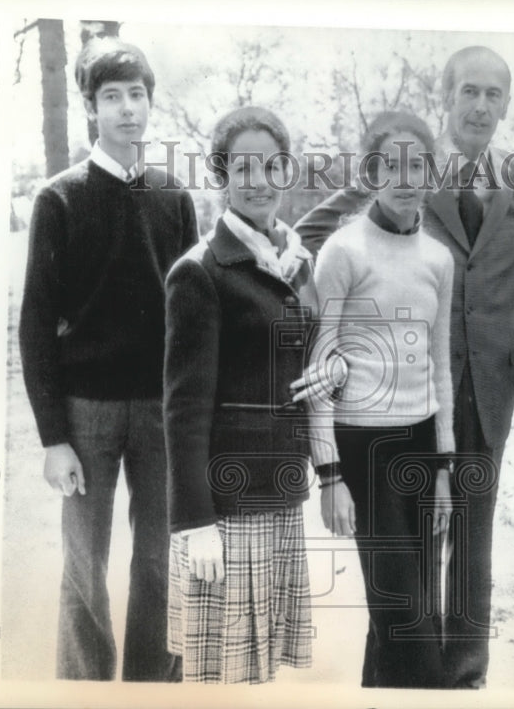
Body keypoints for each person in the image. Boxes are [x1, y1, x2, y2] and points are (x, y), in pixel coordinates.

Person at [296, 46, 514, 688]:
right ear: (447, 98)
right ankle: (397, 678)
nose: (481, 105)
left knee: (472, 537)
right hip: (408, 387)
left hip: (487, 380)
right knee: (405, 553)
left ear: (506, 104)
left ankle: (463, 678)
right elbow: (309, 234)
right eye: (469, 91)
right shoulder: (408, 166)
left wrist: (501, 298)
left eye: (494, 94)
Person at [19, 37, 197, 682]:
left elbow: (193, 314)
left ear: (150, 104)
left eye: (137, 95)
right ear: (92, 109)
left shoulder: (174, 197)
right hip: (86, 413)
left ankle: (154, 690)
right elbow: (36, 321)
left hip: (160, 411)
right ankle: (84, 692)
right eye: (112, 97)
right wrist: (53, 439)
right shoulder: (58, 199)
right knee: (84, 567)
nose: (128, 109)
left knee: (159, 561)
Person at [163, 107, 318, 684]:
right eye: (242, 167)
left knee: (260, 675)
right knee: (221, 680)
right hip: (225, 509)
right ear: (222, 176)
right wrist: (194, 520)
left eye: (271, 166)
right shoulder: (199, 272)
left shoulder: (297, 260)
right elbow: (182, 409)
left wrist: (330, 368)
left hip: (278, 491)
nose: (257, 181)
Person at [302, 111, 455, 688]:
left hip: (421, 443)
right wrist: (330, 474)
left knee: (398, 617)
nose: (405, 177)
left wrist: (443, 471)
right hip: (364, 448)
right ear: (370, 172)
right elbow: (320, 366)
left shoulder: (439, 260)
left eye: (417, 165)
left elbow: (439, 369)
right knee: (406, 618)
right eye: (390, 165)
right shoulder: (342, 251)